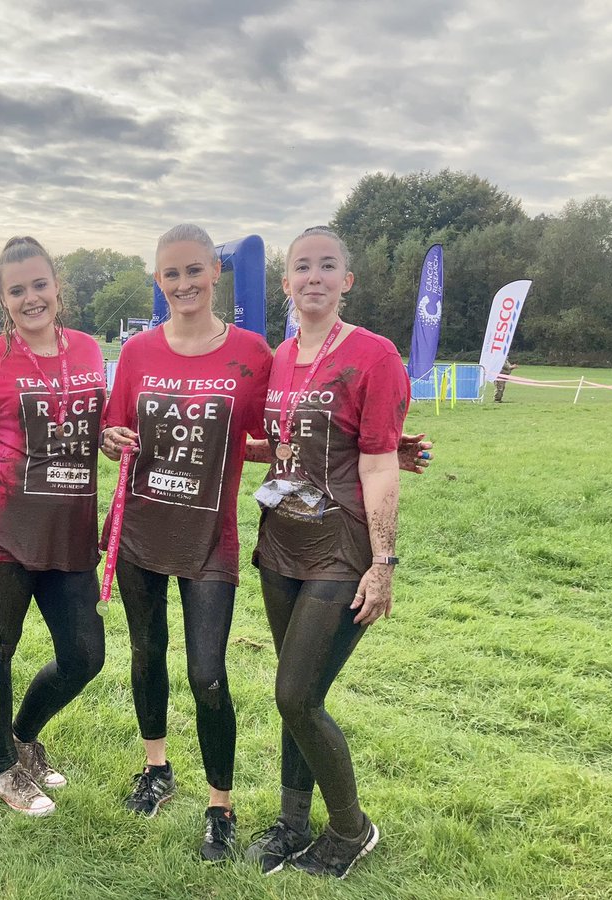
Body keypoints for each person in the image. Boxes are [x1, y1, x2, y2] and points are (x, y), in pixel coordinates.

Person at [100, 224, 273, 860]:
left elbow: (269, 438)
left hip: (208, 536)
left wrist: (365, 448)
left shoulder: (252, 353)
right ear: (158, 280)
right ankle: (156, 769)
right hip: (141, 529)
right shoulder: (139, 352)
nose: (183, 284)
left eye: (194, 270)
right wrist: (111, 439)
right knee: (147, 653)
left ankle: (220, 805)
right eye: (171, 274)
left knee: (207, 674)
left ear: (215, 272)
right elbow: (114, 430)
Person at [245, 226, 409, 878]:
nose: (314, 276)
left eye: (327, 266)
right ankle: (292, 823)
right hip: (281, 540)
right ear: (285, 282)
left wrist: (383, 562)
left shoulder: (374, 355)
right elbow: (280, 445)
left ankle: (350, 830)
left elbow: (380, 464)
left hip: (341, 549)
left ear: (347, 280)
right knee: (298, 693)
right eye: (302, 266)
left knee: (296, 695)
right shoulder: (280, 357)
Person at [0, 236, 108, 816]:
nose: (31, 298)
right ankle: (3, 769)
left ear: (57, 286)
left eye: (39, 284)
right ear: (3, 298)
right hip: (3, 531)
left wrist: (111, 437)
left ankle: (22, 737)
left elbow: (96, 426)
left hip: (70, 532)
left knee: (84, 655)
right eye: (17, 290)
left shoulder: (89, 351)